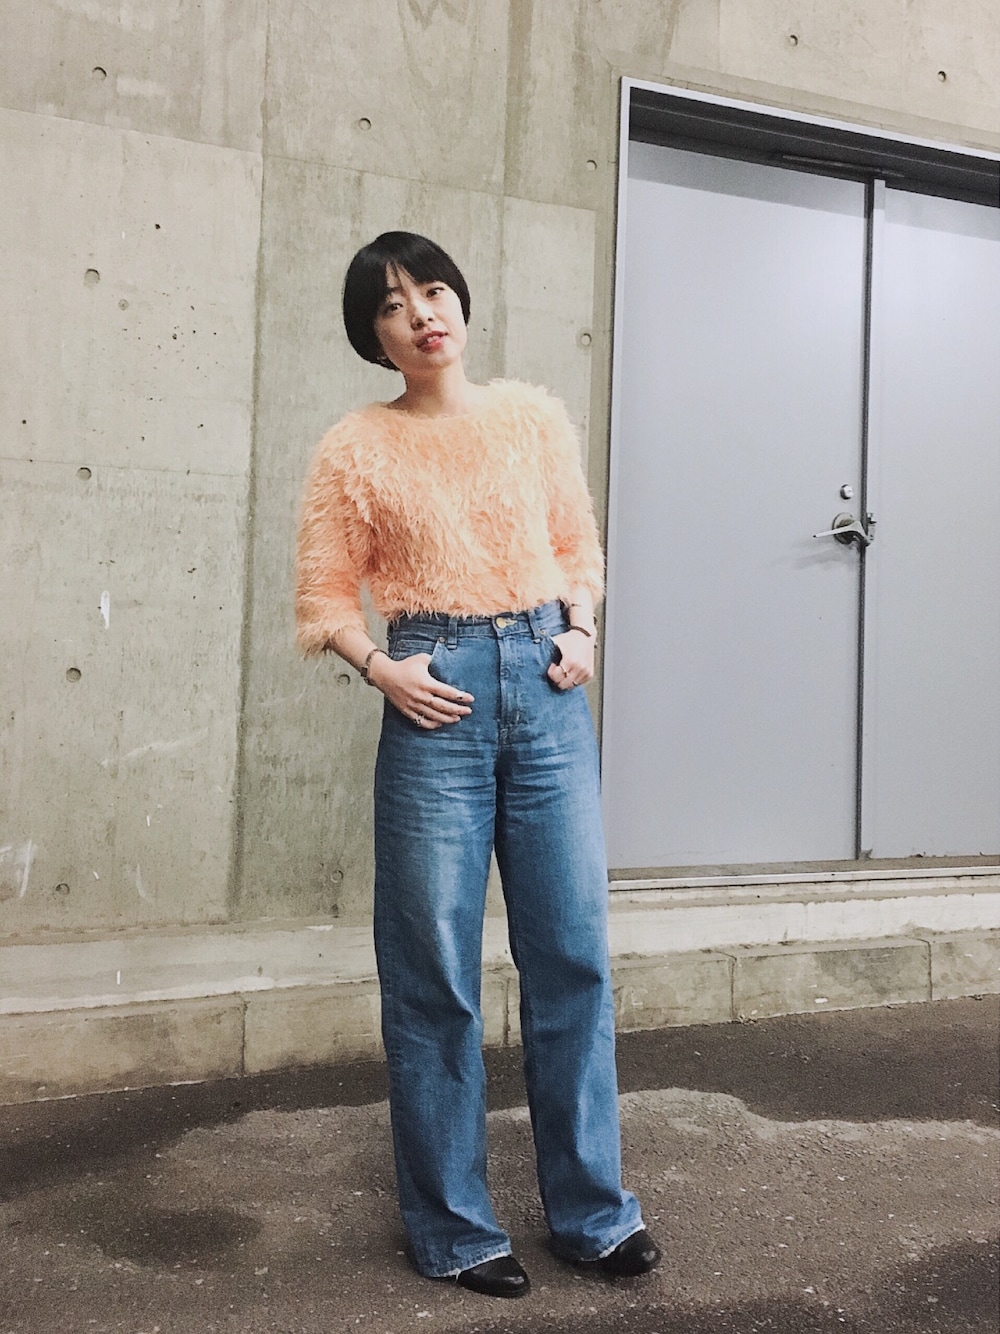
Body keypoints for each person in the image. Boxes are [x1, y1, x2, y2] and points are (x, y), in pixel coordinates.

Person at [295, 231, 659, 1299]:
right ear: (373, 337)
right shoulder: (355, 447)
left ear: (460, 301)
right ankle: (454, 1226)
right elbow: (324, 595)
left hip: (546, 688)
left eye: (432, 290)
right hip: (436, 694)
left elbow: (576, 544)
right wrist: (382, 668)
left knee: (572, 957)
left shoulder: (531, 418)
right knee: (433, 973)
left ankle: (593, 1214)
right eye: (391, 304)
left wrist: (581, 630)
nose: (420, 313)